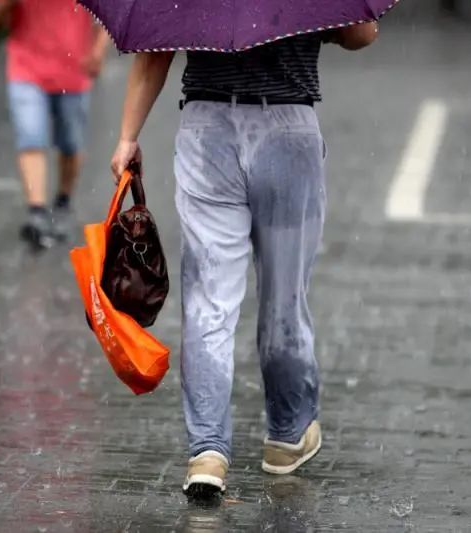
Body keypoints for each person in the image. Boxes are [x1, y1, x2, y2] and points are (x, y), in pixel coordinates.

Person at [109, 23, 379, 498]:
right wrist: (324, 30)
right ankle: (287, 433)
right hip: (288, 131)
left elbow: (156, 52)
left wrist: (128, 136)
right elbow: (362, 32)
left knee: (209, 299)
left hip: (207, 130)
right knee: (284, 297)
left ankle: (208, 451)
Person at [0, 0, 109, 248]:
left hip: (73, 70)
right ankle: (37, 213)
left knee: (71, 146)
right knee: (30, 137)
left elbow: (106, 14)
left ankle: (63, 202)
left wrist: (97, 51)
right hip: (26, 68)